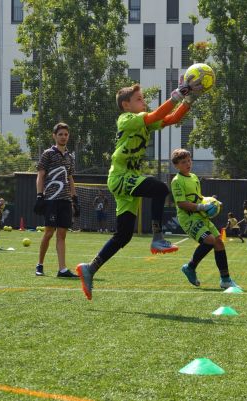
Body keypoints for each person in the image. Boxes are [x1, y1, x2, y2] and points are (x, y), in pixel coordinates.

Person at [76, 79, 201, 300]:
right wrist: (177, 94)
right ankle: (157, 236)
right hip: (121, 176)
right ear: (126, 105)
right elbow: (154, 116)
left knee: (123, 236)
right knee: (160, 189)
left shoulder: (142, 120)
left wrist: (189, 99)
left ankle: (90, 268)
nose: (144, 102)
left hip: (129, 178)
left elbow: (172, 118)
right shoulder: (126, 119)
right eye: (139, 99)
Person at [170, 148, 240, 289]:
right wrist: (202, 207)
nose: (188, 164)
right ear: (176, 165)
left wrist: (212, 202)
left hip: (201, 217)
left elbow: (199, 198)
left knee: (219, 242)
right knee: (209, 240)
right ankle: (190, 267)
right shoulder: (177, 181)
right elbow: (182, 203)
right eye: (183, 162)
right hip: (189, 219)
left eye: (189, 160)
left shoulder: (194, 177)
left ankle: (225, 280)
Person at [33, 122, 80, 278]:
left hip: (65, 200)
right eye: (60, 134)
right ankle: (39, 264)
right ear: (54, 136)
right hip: (51, 199)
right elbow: (40, 175)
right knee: (48, 233)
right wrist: (40, 196)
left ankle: (62, 269)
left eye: (66, 134)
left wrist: (75, 198)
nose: (63, 137)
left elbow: (70, 178)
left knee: (62, 234)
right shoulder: (48, 154)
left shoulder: (70, 157)